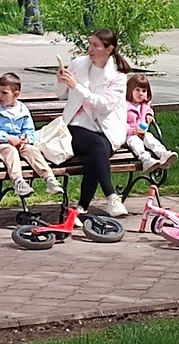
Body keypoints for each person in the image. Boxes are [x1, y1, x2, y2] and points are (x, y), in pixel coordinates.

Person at [55, 28, 131, 217]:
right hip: (75, 127)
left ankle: (81, 207)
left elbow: (103, 106)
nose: (90, 49)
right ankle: (112, 197)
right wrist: (61, 80)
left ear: (109, 49)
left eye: (96, 45)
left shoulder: (119, 77)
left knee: (96, 153)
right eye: (90, 43)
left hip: (104, 130)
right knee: (97, 146)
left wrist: (76, 86)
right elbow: (60, 94)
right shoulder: (79, 64)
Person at [0, 72, 64, 198]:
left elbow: (29, 130)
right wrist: (9, 139)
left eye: (4, 93)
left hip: (19, 143)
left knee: (32, 150)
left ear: (16, 95)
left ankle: (50, 179)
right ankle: (18, 182)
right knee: (10, 150)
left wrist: (26, 139)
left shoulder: (22, 110)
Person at [124, 73, 178, 172]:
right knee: (135, 142)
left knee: (150, 138)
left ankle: (163, 154)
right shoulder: (124, 106)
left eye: (144, 91)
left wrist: (149, 115)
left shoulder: (144, 105)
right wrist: (132, 131)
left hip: (142, 133)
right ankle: (146, 160)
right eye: (137, 90)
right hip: (128, 135)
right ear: (129, 90)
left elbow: (148, 110)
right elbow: (120, 124)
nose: (140, 93)